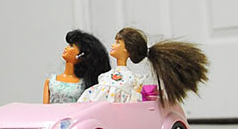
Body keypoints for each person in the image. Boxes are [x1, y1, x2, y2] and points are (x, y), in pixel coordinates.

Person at [78, 27, 209, 105]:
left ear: (127, 48)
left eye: (118, 42)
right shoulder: (105, 77)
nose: (113, 45)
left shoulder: (133, 79)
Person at [43, 29, 111, 103]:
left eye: (71, 46)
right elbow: (45, 108)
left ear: (82, 55)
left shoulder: (84, 85)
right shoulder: (51, 81)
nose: (66, 48)